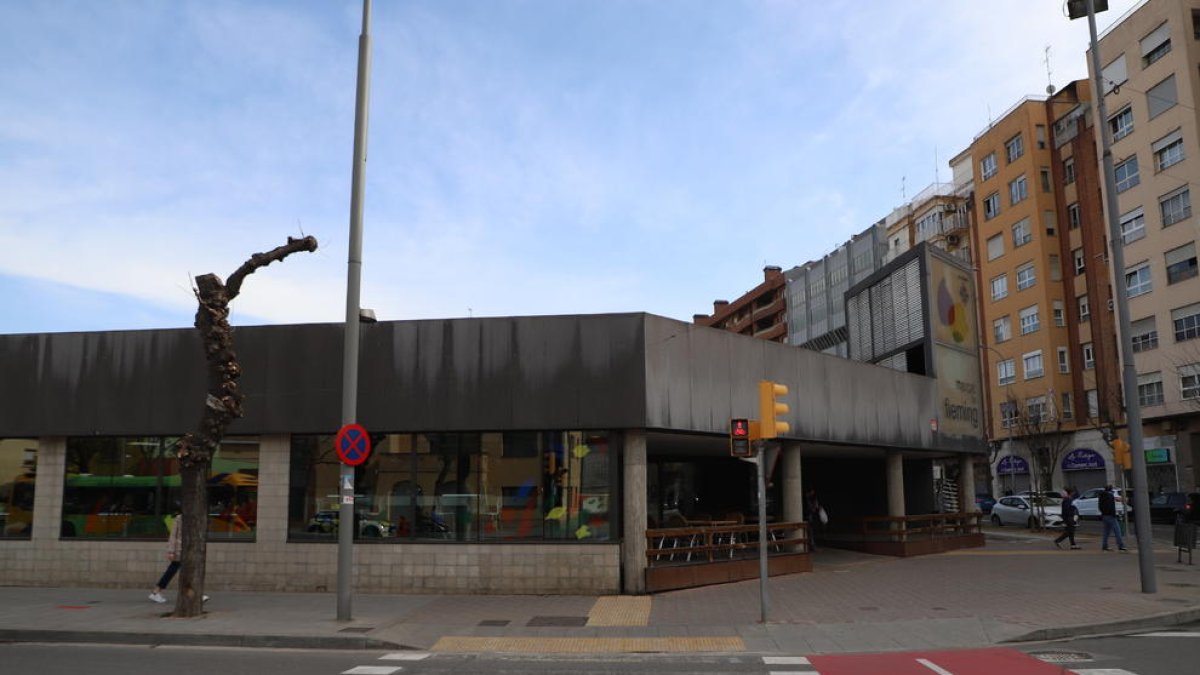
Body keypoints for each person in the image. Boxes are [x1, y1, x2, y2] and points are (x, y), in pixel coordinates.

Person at [149, 511, 208, 604]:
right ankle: (156, 591)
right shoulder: (179, 518)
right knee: (174, 570)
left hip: (190, 550)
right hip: (180, 550)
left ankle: (194, 594)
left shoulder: (196, 517)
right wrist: (171, 551)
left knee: (188, 572)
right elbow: (173, 535)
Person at [1098, 484, 1127, 552]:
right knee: (1117, 530)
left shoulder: (1101, 496)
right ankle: (1121, 546)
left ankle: (1104, 546)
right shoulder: (1110, 496)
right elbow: (1113, 502)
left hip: (1104, 515)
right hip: (1111, 515)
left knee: (1106, 531)